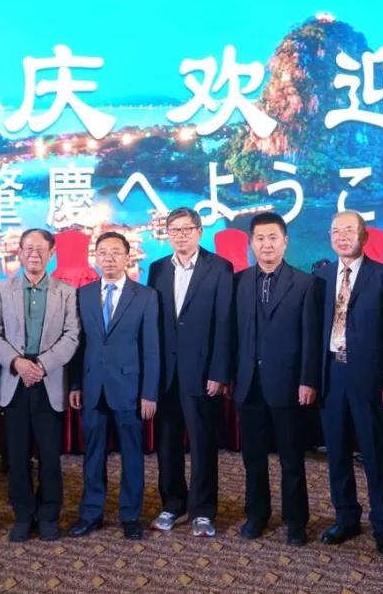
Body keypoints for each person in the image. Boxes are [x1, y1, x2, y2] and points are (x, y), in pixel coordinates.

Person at [313, 211, 383, 557]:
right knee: (336, 452)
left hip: (370, 378)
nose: (342, 237)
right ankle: (346, 517)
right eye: (336, 231)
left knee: (375, 453)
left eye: (349, 231)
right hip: (331, 374)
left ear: (364, 236)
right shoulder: (320, 278)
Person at [232, 211, 321, 545]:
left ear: (285, 241)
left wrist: (308, 380)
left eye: (272, 238)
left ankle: (296, 522)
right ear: (251, 243)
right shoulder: (238, 282)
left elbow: (311, 337)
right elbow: (230, 334)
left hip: (288, 384)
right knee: (253, 459)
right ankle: (257, 515)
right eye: (260, 238)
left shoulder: (305, 283)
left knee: (291, 459)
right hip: (248, 384)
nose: (266, 244)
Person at [0, 228, 79, 542]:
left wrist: (41, 365)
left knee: (50, 456)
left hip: (48, 381)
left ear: (51, 253)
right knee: (17, 455)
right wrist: (17, 363)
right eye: (28, 248)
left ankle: (49, 514)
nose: (34, 254)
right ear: (20, 253)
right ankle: (23, 515)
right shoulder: (2, 289)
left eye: (41, 249)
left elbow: (72, 336)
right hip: (14, 380)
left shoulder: (66, 292)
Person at [67, 231, 160, 541]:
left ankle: (130, 516)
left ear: (127, 258)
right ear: (95, 258)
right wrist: (76, 384)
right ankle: (91, 513)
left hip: (130, 389)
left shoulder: (145, 296)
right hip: (93, 387)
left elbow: (151, 349)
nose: (109, 258)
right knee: (93, 455)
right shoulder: (83, 294)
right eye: (103, 253)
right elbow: (80, 345)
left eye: (115, 252)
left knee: (132, 454)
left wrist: (149, 393)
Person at [147, 207, 233, 538]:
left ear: (199, 232)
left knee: (202, 444)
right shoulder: (157, 268)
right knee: (167, 444)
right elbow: (152, 323)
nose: (180, 236)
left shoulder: (219, 267)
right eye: (174, 230)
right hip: (166, 374)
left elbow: (224, 322)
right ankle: (172, 504)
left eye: (186, 229)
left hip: (202, 372)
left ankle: (203, 510)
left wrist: (219, 372)